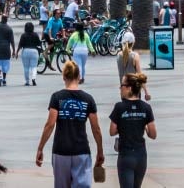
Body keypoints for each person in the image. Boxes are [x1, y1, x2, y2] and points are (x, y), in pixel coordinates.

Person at [36, 60, 104, 188]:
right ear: (79, 77)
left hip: (61, 150)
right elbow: (96, 129)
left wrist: (40, 148)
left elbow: (50, 125)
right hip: (81, 150)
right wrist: (100, 151)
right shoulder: (88, 99)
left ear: (64, 77)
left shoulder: (57, 97)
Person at [110, 72, 157, 188]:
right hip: (141, 155)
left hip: (126, 155)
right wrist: (144, 126)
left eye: (122, 85)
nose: (120, 88)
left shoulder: (119, 107)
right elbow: (153, 134)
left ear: (129, 88)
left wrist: (123, 125)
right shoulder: (146, 107)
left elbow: (112, 131)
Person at [117, 32, 151, 100]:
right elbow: (139, 75)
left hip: (123, 89)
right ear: (133, 42)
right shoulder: (135, 56)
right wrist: (146, 92)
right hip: (134, 90)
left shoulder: (118, 55)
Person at [0, 14, 15, 87]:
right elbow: (12, 41)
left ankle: (0, 76)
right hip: (6, 49)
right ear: (6, 19)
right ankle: (4, 79)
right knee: (5, 65)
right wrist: (13, 50)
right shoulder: (9, 28)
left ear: (1, 18)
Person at [17, 21, 42, 86]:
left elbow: (20, 44)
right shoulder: (35, 34)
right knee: (34, 67)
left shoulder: (23, 35)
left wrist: (16, 52)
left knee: (26, 67)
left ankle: (27, 81)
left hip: (25, 50)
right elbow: (39, 44)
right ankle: (33, 78)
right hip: (34, 51)